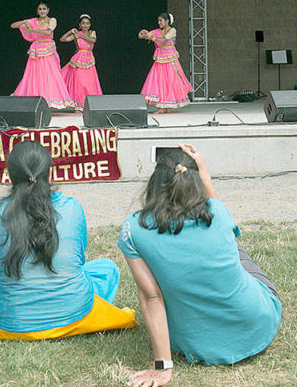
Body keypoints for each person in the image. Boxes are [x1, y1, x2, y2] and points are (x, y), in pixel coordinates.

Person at [119, 144, 281, 386]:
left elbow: (152, 298)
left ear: (155, 183)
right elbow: (223, 220)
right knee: (235, 248)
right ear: (195, 181)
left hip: (193, 343)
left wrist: (162, 367)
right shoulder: (218, 211)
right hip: (256, 323)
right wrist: (205, 174)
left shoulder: (133, 229)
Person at [0, 141, 136, 340]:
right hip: (72, 314)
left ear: (10, 175)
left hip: (10, 322)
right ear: (48, 173)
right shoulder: (72, 207)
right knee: (107, 269)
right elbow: (80, 260)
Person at [11, 1, 75, 110]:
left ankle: (50, 101)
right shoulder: (33, 21)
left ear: (48, 10)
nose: (42, 11)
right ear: (37, 10)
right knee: (34, 75)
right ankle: (36, 101)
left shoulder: (52, 20)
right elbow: (13, 25)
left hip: (48, 48)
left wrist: (32, 30)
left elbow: (48, 32)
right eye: (40, 9)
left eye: (44, 9)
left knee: (50, 75)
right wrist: (24, 21)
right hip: (36, 49)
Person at [139, 13, 194, 114]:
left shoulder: (172, 30)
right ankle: (161, 107)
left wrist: (153, 38)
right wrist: (144, 33)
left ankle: (166, 107)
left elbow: (164, 39)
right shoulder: (156, 31)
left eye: (161, 20)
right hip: (160, 59)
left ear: (167, 21)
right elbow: (144, 36)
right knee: (159, 82)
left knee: (169, 82)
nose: (159, 22)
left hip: (170, 59)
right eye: (158, 21)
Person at [59, 14, 102, 110]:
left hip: (89, 60)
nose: (85, 25)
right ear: (80, 25)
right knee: (79, 83)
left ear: (90, 25)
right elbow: (62, 39)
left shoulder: (92, 33)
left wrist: (80, 36)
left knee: (90, 84)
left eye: (87, 23)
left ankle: (90, 106)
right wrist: (71, 31)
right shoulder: (76, 35)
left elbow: (93, 40)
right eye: (83, 23)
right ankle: (78, 105)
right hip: (78, 61)